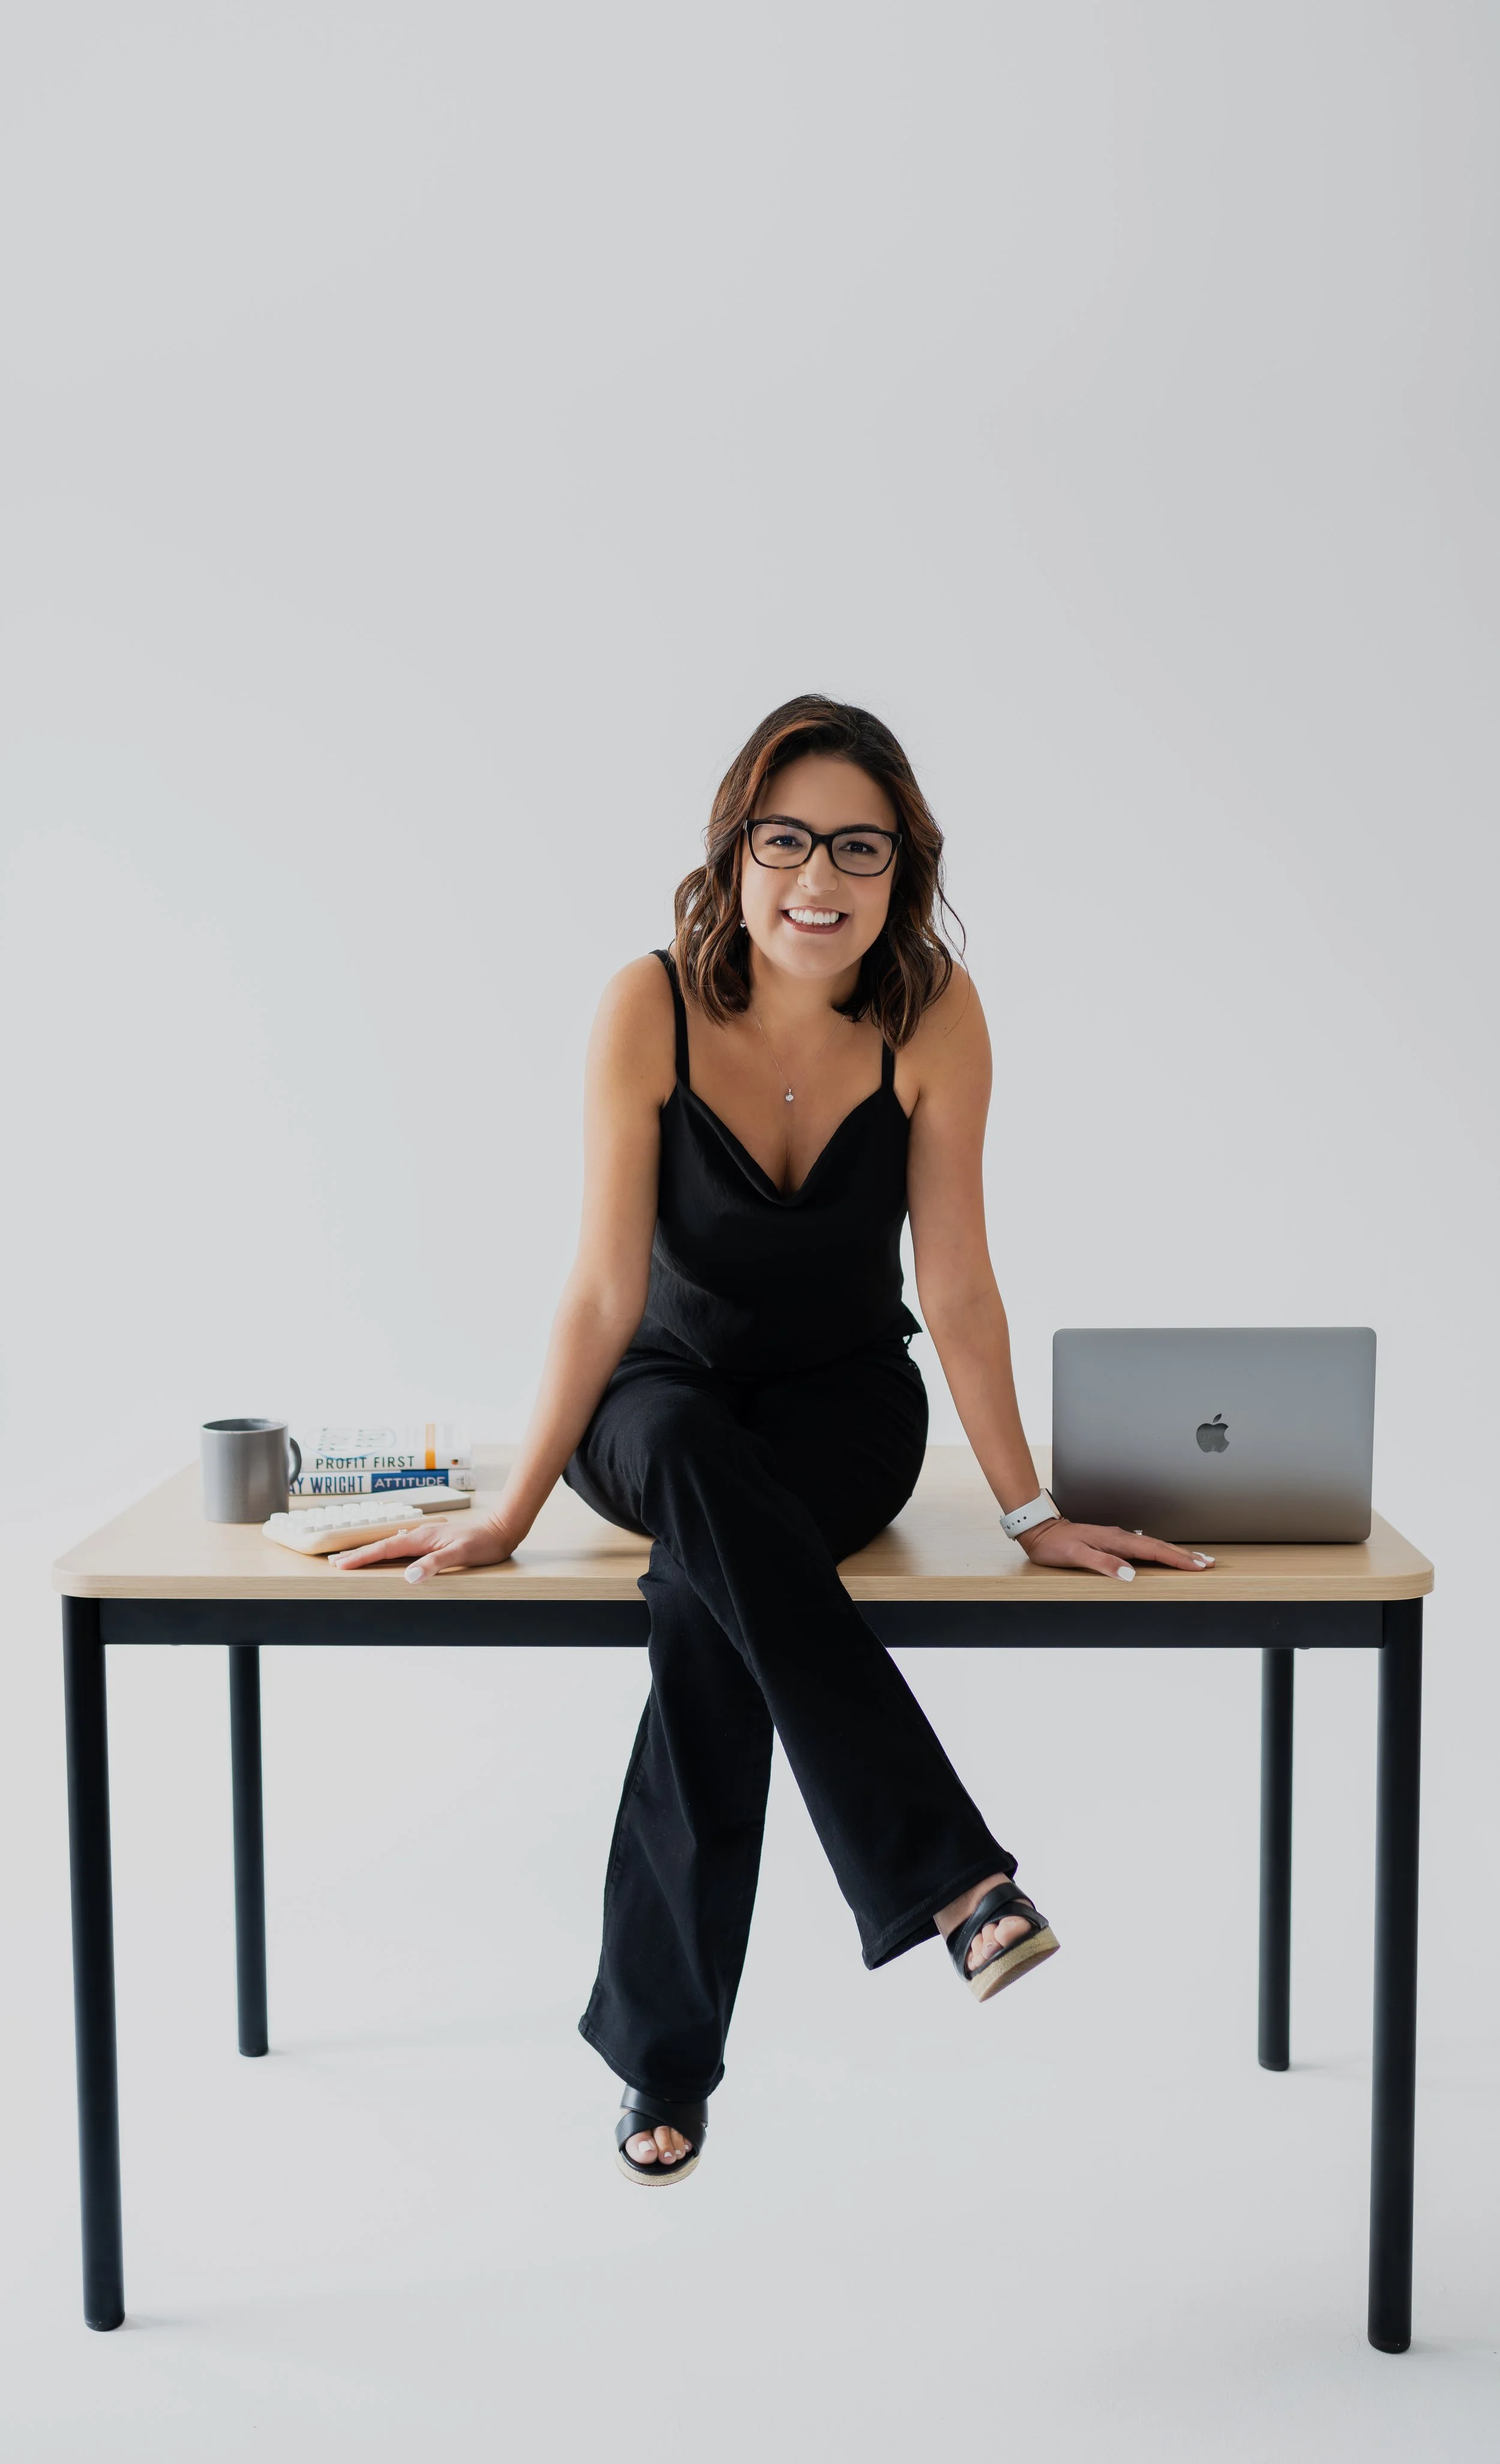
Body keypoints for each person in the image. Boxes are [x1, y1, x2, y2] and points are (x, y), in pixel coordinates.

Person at [331, 695, 1212, 2186]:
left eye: (856, 847)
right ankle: (955, 1880)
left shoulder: (934, 1011)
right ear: (734, 857)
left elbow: (960, 1284)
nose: (820, 877)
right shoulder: (649, 1001)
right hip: (657, 1407)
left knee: (701, 1595)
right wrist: (505, 1512)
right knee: (684, 1454)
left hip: (843, 1416)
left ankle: (665, 2062)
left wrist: (1027, 1509)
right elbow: (607, 1289)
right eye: (786, 839)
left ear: (900, 868)